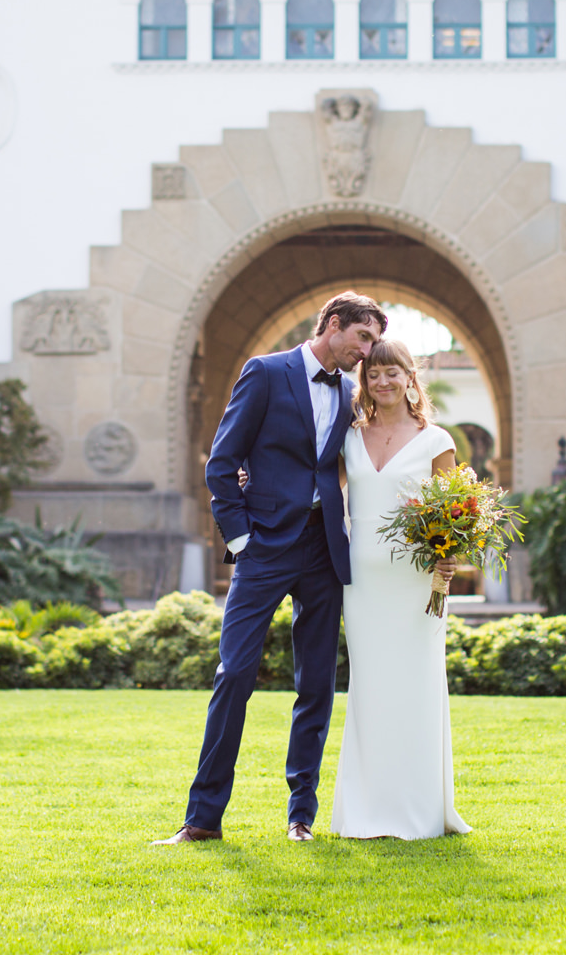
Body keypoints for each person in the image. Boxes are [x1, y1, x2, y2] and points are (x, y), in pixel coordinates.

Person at [154, 291, 386, 845]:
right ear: (333, 325)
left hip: (325, 550)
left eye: (374, 341)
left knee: (317, 685)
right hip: (263, 549)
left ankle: (300, 816)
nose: (367, 351)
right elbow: (221, 464)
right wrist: (241, 538)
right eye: (363, 338)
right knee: (234, 674)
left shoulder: (353, 393)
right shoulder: (264, 372)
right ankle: (203, 818)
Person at [330, 338, 470, 839]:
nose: (383, 382)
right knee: (368, 688)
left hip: (416, 582)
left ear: (411, 379)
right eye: (373, 375)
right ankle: (366, 808)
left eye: (394, 373)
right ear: (363, 383)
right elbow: (321, 490)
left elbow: (453, 513)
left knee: (416, 684)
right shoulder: (349, 438)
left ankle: (420, 809)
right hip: (362, 581)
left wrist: (448, 553)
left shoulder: (437, 441)